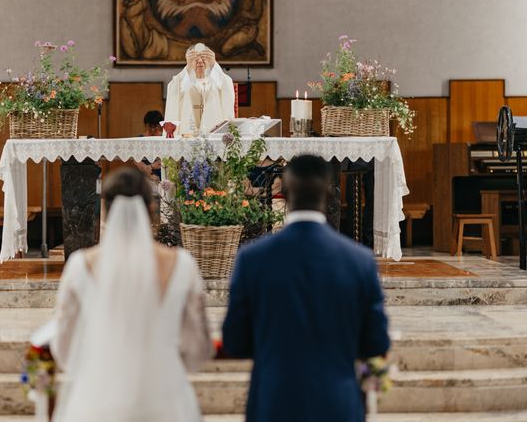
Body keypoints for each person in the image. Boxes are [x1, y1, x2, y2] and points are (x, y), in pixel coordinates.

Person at [222, 154, 390, 422]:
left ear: (284, 193)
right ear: (329, 193)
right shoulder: (360, 261)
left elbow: (235, 341)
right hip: (338, 403)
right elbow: (376, 342)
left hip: (274, 402)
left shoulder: (252, 258)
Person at [51, 167, 212, 421]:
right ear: (150, 208)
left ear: (104, 209)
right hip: (166, 400)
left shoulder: (80, 266)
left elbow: (64, 348)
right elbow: (198, 349)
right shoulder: (182, 264)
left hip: (98, 402)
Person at [164, 43, 235, 136]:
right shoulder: (182, 81)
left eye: (203, 57)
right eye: (195, 58)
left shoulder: (217, 81)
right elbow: (174, 91)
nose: (200, 61)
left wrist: (214, 64)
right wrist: (188, 68)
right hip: (187, 135)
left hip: (214, 135)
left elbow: (227, 86)